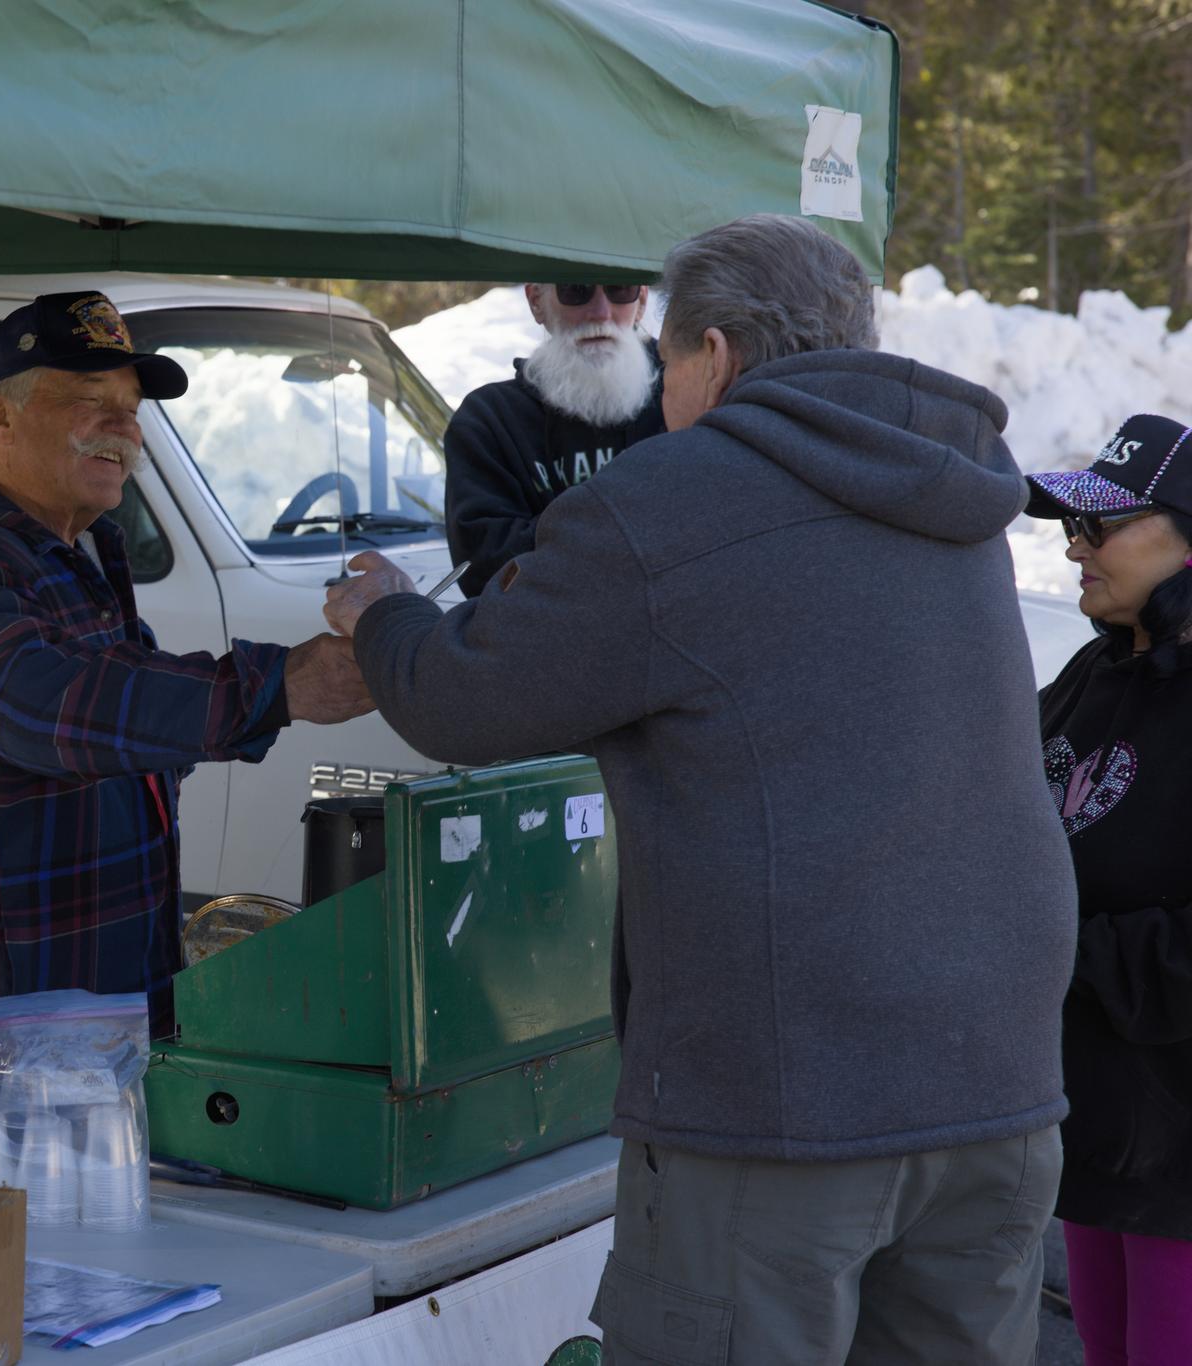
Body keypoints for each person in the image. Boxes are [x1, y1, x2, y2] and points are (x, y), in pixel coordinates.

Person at [324, 215, 1075, 1363]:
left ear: (712, 357)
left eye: (669, 357)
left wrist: (382, 613)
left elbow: (466, 699)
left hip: (786, 1096)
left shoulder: (674, 496)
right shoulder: (948, 476)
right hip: (1000, 1076)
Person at [0, 290, 374, 1070]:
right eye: (89, 400)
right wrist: (280, 686)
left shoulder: (81, 547)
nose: (126, 428)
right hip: (5, 1029)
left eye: (132, 407)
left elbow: (125, 702)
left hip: (88, 1004)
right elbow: (41, 706)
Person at [1024, 416, 1192, 1364]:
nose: (1076, 547)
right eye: (1072, 527)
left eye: (1105, 527)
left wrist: (1058, 953)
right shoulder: (1094, 669)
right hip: (1093, 1133)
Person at [441, 281, 665, 598]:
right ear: (536, 302)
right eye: (576, 290)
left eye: (619, 290)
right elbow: (484, 571)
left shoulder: (691, 395)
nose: (600, 313)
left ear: (641, 302)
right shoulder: (490, 419)